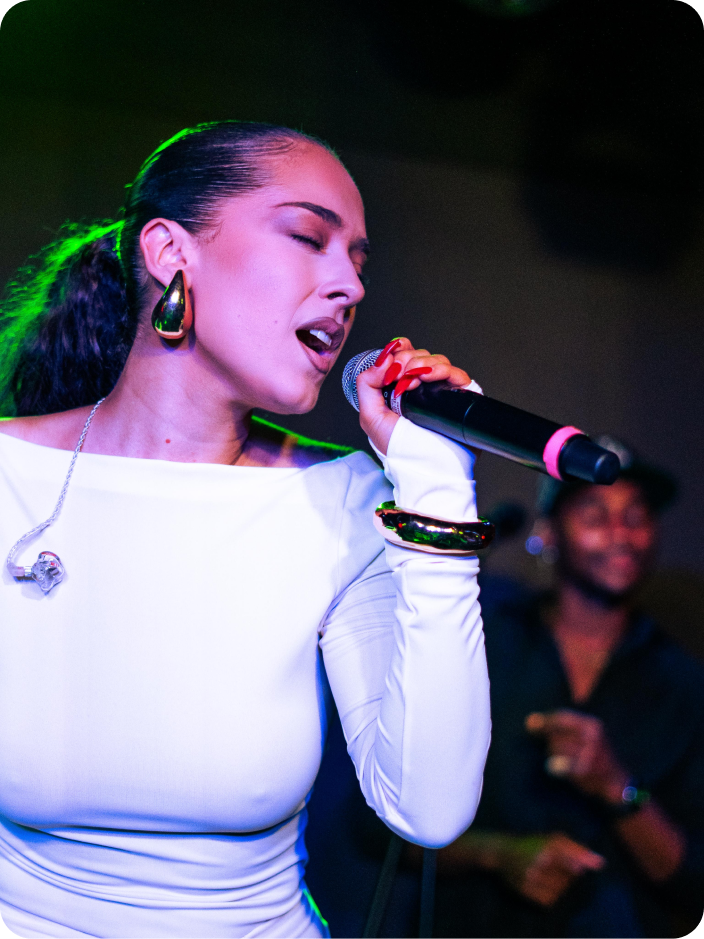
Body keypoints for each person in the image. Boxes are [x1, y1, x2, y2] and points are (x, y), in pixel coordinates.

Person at [0, 121, 491, 939]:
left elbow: (429, 808)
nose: (349, 286)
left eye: (359, 262)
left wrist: (438, 492)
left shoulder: (344, 500)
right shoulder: (12, 481)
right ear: (169, 251)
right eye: (308, 238)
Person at [425, 442, 704, 938]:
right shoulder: (482, 646)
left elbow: (692, 879)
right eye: (596, 514)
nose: (621, 534)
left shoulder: (683, 682)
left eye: (637, 516)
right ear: (548, 534)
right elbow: (377, 829)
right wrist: (499, 855)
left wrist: (615, 786)